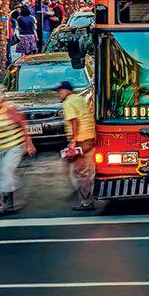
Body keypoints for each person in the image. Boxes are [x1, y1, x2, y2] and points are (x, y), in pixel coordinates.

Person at [0, 85, 35, 216]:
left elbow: (22, 124)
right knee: (1, 175)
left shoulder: (9, 108)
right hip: (2, 148)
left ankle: (5, 203)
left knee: (6, 172)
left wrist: (29, 143)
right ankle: (7, 202)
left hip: (15, 147)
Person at [57, 81, 96, 210]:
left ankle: (87, 202)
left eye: (60, 91)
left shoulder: (68, 103)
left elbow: (74, 121)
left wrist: (73, 141)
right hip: (90, 137)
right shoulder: (79, 99)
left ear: (67, 91)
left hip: (81, 140)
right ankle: (89, 193)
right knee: (87, 170)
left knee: (78, 172)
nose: (58, 94)